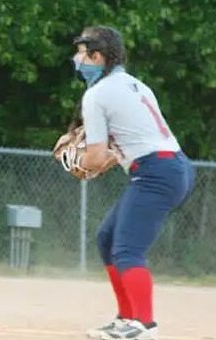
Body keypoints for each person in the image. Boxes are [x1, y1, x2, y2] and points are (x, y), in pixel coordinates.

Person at [63, 26, 195, 340]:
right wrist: (98, 160)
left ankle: (145, 325)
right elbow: (124, 148)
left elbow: (95, 158)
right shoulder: (134, 85)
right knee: (107, 239)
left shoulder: (97, 94)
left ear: (97, 56)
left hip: (156, 171)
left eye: (83, 52)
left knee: (127, 250)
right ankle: (127, 317)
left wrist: (75, 161)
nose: (77, 58)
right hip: (169, 166)